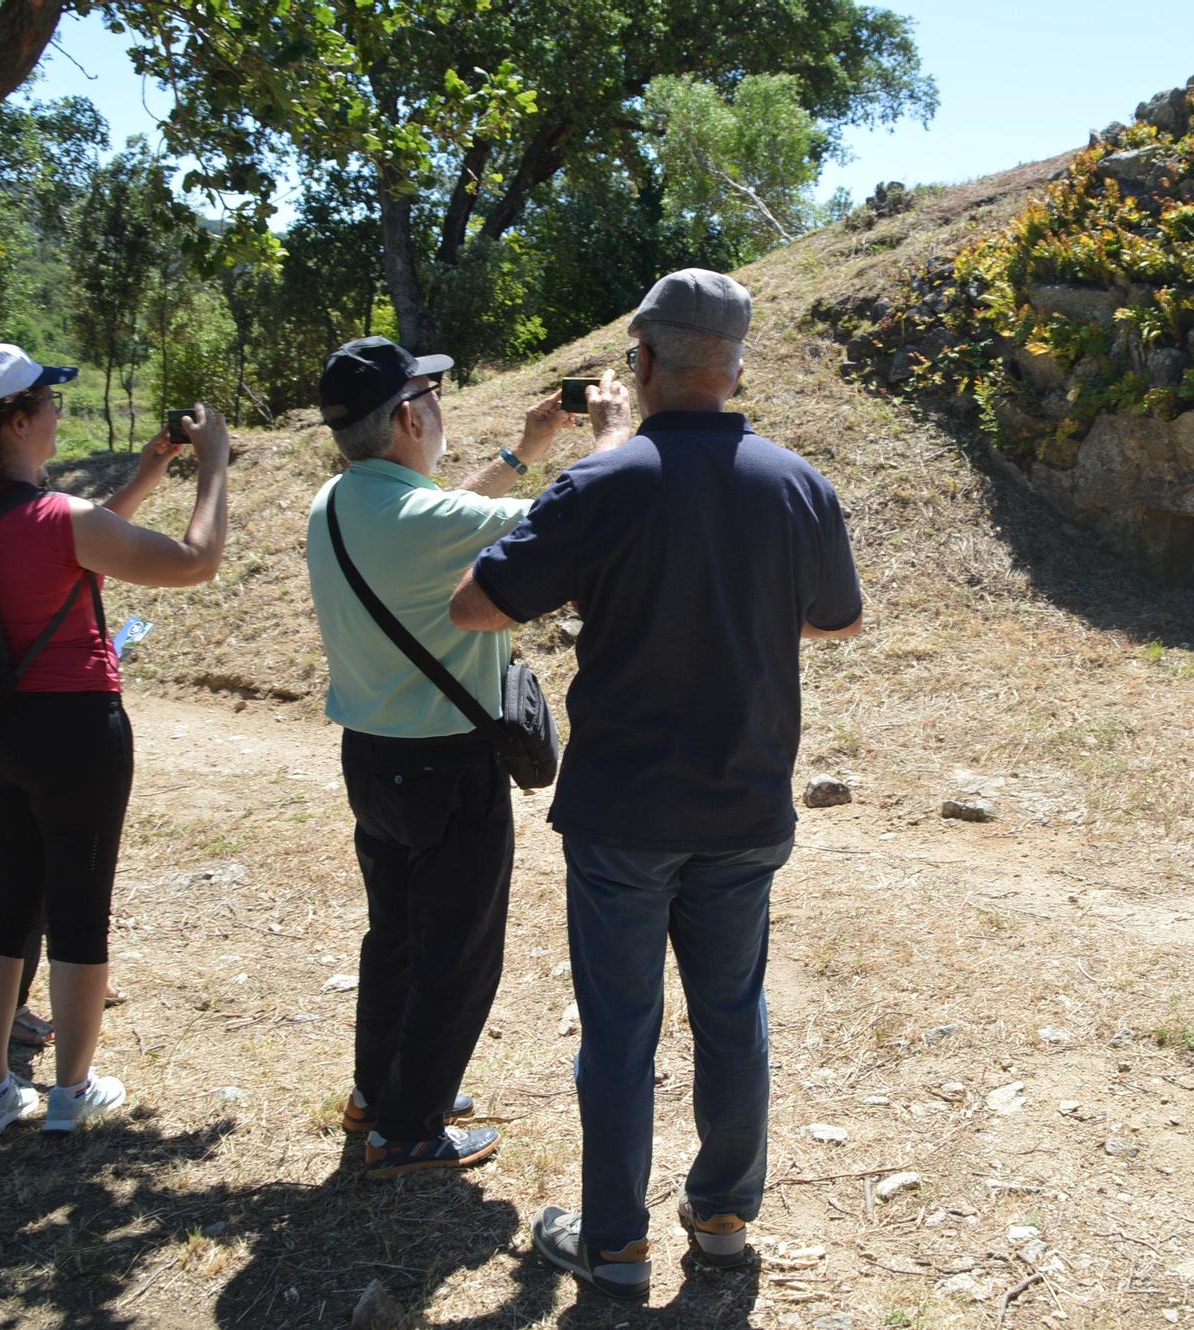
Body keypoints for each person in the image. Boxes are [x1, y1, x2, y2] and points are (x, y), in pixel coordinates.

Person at [449, 269, 865, 1301]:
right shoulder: (794, 481)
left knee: (621, 1026)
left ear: (640, 362)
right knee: (732, 1010)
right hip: (746, 802)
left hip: (622, 812)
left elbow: (474, 607)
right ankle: (720, 1217)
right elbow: (839, 618)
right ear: (735, 367)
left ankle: (615, 1245)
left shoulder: (607, 479)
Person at [305, 337, 632, 1179]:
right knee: (458, 952)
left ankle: (378, 1093)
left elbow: (445, 520)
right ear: (412, 414)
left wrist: (523, 449)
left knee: (398, 937)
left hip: (373, 761)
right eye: (435, 395)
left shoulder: (336, 503)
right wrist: (611, 436)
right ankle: (409, 1129)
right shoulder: (425, 521)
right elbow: (584, 514)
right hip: (448, 770)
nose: (442, 410)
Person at [0, 341, 230, 1138]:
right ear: (18, 422)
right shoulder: (58, 519)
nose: (61, 414)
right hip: (74, 734)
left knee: (3, 908)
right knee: (80, 913)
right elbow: (195, 562)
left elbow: (75, 548)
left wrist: (151, 470)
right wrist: (215, 464)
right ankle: (72, 1090)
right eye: (50, 403)